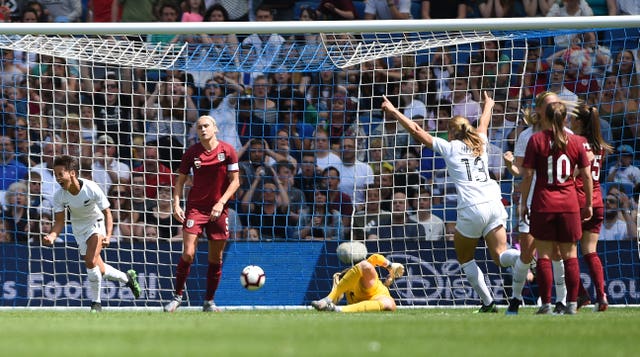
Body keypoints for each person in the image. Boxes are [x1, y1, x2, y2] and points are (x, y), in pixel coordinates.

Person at [382, 91, 521, 312]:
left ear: (450, 132)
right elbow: (484, 122)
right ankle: (522, 257)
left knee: (465, 258)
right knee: (501, 256)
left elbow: (417, 130)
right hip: (495, 203)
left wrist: (393, 111)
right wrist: (488, 105)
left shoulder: (449, 147)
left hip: (472, 208)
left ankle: (488, 303)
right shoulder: (481, 142)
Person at [520, 101, 593, 315]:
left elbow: (529, 175)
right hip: (569, 203)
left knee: (543, 255)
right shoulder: (577, 141)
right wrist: (588, 203)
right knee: (570, 254)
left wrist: (524, 203)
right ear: (565, 119)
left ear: (546, 117)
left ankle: (546, 304)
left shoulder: (536, 140)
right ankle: (571, 304)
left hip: (543, 203)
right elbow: (586, 175)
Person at [42, 155, 141, 312]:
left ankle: (96, 304)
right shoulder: (59, 196)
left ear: (72, 173)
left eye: (61, 174)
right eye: (55, 175)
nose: (58, 178)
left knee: (89, 261)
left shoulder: (91, 187)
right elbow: (60, 221)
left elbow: (107, 213)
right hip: (79, 229)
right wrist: (52, 236)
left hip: (97, 224)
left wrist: (108, 235)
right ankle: (127, 278)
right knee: (98, 269)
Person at [502, 92, 572, 314]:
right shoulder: (527, 136)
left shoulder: (568, 135)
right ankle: (515, 300)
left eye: (556, 105)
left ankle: (560, 301)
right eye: (549, 105)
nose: (553, 109)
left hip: (559, 203)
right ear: (540, 109)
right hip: (533, 202)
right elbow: (522, 172)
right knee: (527, 253)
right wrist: (509, 165)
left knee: (558, 254)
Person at [164, 115, 240, 313]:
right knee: (188, 253)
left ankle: (209, 302)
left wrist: (221, 202)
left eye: (206, 126)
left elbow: (236, 181)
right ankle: (177, 297)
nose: (203, 129)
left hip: (219, 210)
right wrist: (176, 204)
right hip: (195, 209)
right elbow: (180, 181)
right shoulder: (192, 153)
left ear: (215, 128)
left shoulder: (228, 151)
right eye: (199, 127)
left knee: (215, 258)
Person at [570, 104, 613, 311]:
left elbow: (573, 173)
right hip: (597, 201)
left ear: (579, 122)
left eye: (572, 119)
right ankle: (602, 296)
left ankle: (580, 295)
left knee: (563, 252)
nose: (569, 122)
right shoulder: (600, 145)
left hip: (578, 201)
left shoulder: (576, 142)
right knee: (590, 251)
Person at [311, 253, 405, 312]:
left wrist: (390, 267)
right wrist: (390, 265)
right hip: (358, 294)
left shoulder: (362, 269)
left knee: (390, 304)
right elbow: (373, 259)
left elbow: (375, 258)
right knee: (365, 265)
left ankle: (337, 310)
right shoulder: (341, 280)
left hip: (375, 294)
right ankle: (327, 300)